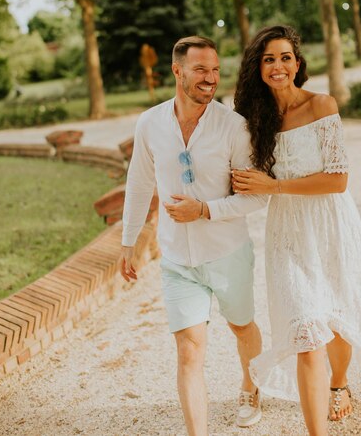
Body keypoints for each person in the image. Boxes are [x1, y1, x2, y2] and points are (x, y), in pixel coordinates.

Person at [231, 25, 361, 436]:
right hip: (286, 232)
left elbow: (338, 179)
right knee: (306, 327)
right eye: (269, 59)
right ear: (258, 68)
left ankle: (339, 382)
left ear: (298, 64)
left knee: (335, 318)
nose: (278, 66)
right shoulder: (255, 119)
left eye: (285, 57)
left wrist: (276, 185)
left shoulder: (322, 105)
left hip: (330, 224)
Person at [120, 36, 267, 436]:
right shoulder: (150, 123)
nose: (210, 78)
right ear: (177, 70)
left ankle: (251, 387)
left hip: (227, 252)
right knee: (188, 351)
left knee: (242, 328)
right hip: (177, 261)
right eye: (201, 69)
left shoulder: (234, 127)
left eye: (215, 70)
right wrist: (128, 241)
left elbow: (255, 199)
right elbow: (138, 182)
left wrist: (204, 210)